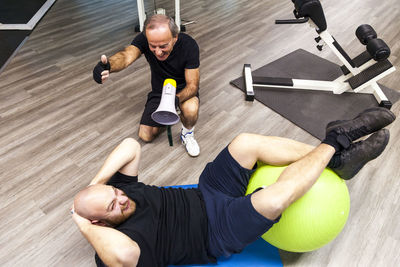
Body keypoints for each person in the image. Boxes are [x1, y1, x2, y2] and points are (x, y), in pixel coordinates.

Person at [72, 107, 395, 267]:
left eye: (118, 194)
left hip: (206, 192)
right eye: (113, 206)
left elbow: (130, 145)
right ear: (98, 222)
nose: (122, 199)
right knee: (273, 200)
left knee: (245, 143)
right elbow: (125, 254)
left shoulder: (118, 192)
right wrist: (83, 225)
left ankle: (338, 162)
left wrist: (97, 186)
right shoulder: (111, 246)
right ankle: (338, 140)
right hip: (215, 231)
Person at [92, 14, 201, 157]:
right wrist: (108, 66)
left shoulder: (189, 45)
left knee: (191, 109)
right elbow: (126, 56)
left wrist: (173, 100)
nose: (158, 52)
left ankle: (187, 134)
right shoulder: (144, 39)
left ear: (175, 37)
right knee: (145, 135)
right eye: (153, 46)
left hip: (182, 91)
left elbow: (193, 86)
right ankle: (169, 116)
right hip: (160, 92)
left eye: (163, 46)